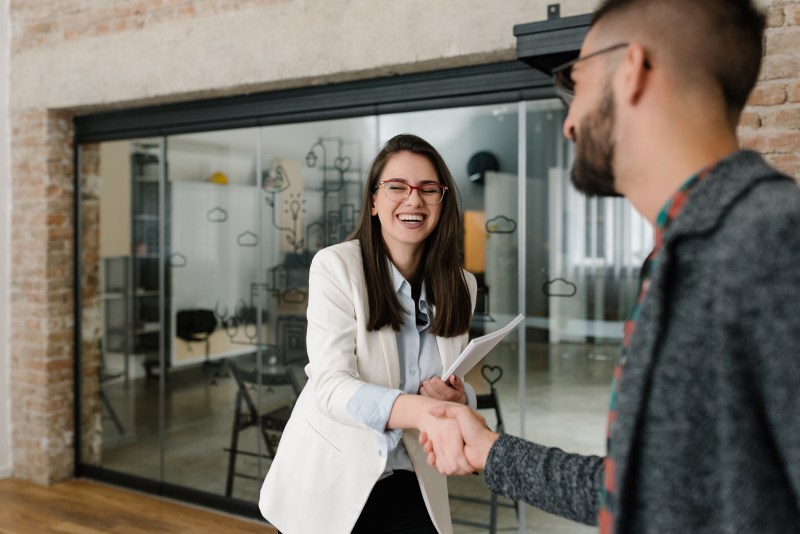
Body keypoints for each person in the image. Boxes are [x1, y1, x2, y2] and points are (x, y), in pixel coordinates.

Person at [421, 0, 800, 532]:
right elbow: (644, 489)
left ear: (632, 71)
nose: (569, 122)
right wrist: (491, 451)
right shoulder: (683, 254)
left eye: (575, 82)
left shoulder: (772, 241)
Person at [259, 133, 478, 533]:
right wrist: (426, 411)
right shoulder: (336, 267)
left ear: (442, 202)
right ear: (374, 202)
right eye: (397, 187)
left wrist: (459, 398)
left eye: (428, 189)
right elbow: (330, 387)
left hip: (414, 477)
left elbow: (453, 379)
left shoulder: (461, 285)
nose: (414, 200)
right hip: (333, 481)